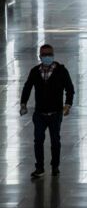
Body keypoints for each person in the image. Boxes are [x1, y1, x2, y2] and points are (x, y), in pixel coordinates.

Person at [20, 44, 75, 179]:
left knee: (55, 140)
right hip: (40, 113)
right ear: (40, 56)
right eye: (44, 55)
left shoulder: (61, 71)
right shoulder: (35, 71)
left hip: (55, 113)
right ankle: (39, 167)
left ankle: (55, 166)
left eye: (49, 54)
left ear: (53, 55)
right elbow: (27, 87)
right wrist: (23, 103)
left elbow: (70, 88)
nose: (47, 57)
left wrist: (68, 105)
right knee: (38, 141)